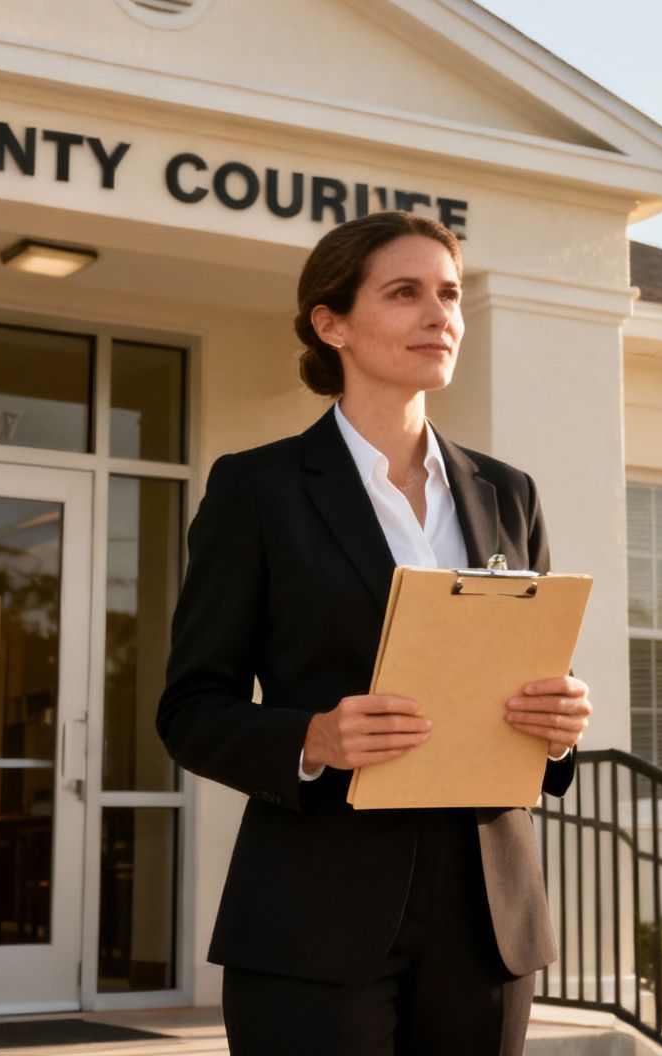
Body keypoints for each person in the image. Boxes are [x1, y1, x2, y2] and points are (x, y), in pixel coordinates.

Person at [156, 211, 593, 1054]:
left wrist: (562, 727)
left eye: (450, 294)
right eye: (405, 293)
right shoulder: (257, 490)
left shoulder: (510, 494)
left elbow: (535, 678)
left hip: (487, 912)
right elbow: (190, 709)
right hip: (315, 909)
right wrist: (313, 737)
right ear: (332, 324)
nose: (441, 316)